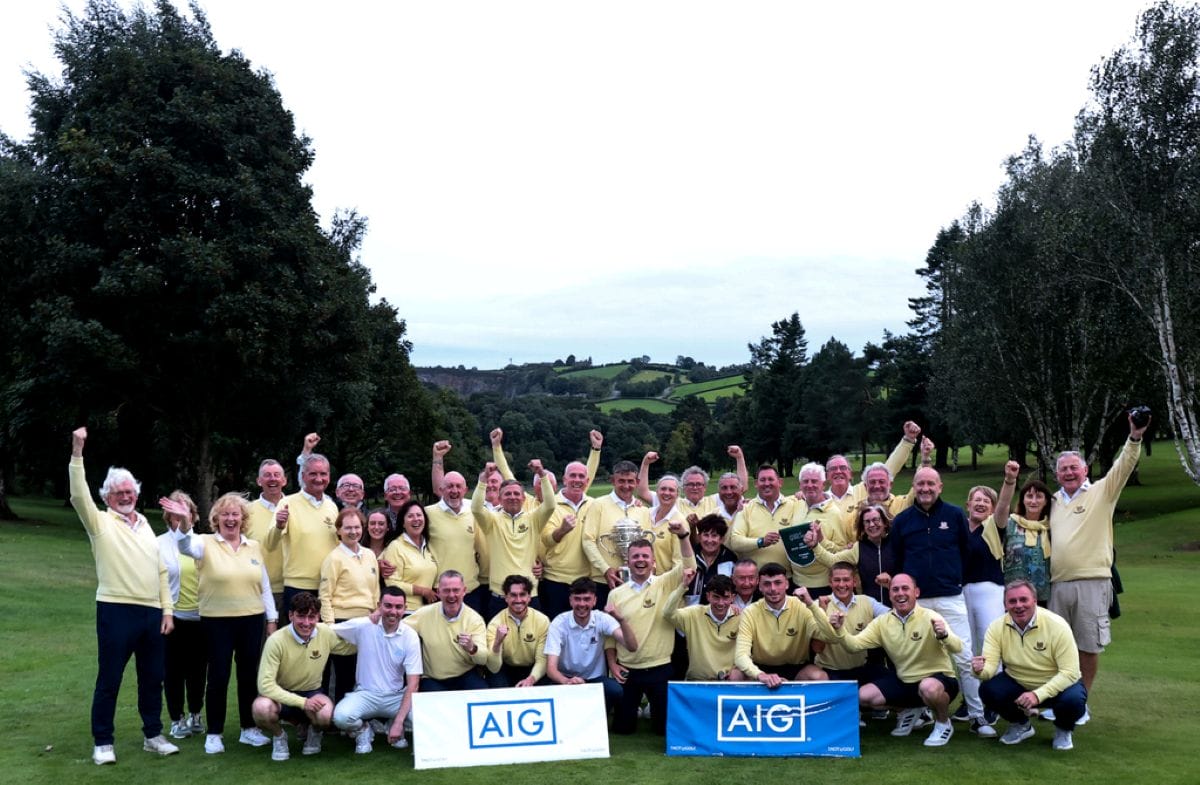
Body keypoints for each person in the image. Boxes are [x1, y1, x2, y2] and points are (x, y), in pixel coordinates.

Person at [69, 426, 178, 765]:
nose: (125, 496)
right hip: (115, 610)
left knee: (153, 678)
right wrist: (77, 452)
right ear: (107, 497)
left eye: (129, 491)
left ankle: (153, 735)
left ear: (137, 494)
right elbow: (78, 497)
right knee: (110, 679)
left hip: (151, 613)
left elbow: (161, 571)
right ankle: (103, 742)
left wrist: (167, 611)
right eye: (118, 492)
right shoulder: (99, 523)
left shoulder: (145, 525)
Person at [1048, 412, 1147, 707]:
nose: (1069, 472)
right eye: (1063, 469)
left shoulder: (1102, 492)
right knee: (1057, 647)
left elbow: (1123, 465)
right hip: (1057, 584)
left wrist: (1135, 436)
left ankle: (1080, 702)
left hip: (1093, 582)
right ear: (1057, 475)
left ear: (1085, 469)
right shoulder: (1052, 502)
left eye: (1073, 467)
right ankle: (1058, 699)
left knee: (1088, 646)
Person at [168, 492, 279, 754]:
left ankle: (249, 729)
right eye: (225, 514)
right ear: (216, 519)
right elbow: (184, 545)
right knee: (218, 676)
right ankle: (214, 733)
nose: (230, 519)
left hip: (251, 618)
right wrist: (184, 521)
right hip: (217, 621)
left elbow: (263, 585)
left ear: (243, 518)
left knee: (248, 675)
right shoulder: (204, 542)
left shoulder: (253, 546)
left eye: (235, 514)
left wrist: (272, 619)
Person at [891, 467, 994, 737]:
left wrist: (952, 575)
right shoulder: (902, 521)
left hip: (950, 597)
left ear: (940, 487)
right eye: (920, 484)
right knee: (920, 660)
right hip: (918, 602)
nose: (925, 489)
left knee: (964, 657)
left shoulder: (955, 515)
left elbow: (965, 551)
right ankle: (924, 711)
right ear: (914, 486)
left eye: (930, 484)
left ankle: (977, 715)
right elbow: (897, 558)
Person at [827, 573, 962, 747]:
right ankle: (911, 710)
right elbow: (854, 645)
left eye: (905, 588)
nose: (900, 593)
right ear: (890, 595)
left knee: (928, 687)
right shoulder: (882, 622)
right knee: (864, 696)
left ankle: (943, 723)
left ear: (916, 592)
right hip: (905, 682)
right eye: (895, 589)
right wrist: (839, 629)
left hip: (939, 681)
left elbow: (957, 647)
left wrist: (944, 635)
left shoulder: (931, 616)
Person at [972, 580, 1085, 751]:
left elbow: (1071, 672)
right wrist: (979, 670)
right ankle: (1021, 724)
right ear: (1005, 605)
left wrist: (1037, 695)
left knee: (1074, 700)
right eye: (1012, 601)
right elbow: (989, 669)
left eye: (1024, 600)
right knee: (988, 690)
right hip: (1018, 683)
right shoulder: (996, 627)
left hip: (1056, 685)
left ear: (1035, 601)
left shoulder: (1057, 625)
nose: (1018, 605)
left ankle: (1064, 729)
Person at [605, 528, 695, 735]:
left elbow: (690, 566)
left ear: (654, 561)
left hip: (659, 668)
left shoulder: (665, 583)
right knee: (623, 729)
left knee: (663, 730)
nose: (640, 560)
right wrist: (612, 663)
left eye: (645, 556)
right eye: (635, 556)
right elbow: (609, 634)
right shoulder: (616, 594)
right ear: (627, 561)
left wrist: (683, 536)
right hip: (628, 669)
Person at [252, 591, 355, 761]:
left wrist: (374, 636)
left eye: (312, 617)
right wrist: (303, 702)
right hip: (282, 697)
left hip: (312, 692)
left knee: (326, 713)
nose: (306, 623)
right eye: (301, 616)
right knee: (260, 708)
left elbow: (347, 648)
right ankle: (279, 736)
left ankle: (314, 733)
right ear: (291, 615)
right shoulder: (276, 641)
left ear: (318, 617)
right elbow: (265, 685)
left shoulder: (324, 632)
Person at [331, 588, 423, 754]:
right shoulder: (363, 626)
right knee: (341, 718)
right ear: (379, 605)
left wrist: (399, 722)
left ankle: (394, 723)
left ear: (405, 608)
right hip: (365, 694)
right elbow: (329, 630)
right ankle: (363, 729)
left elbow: (413, 684)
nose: (393, 611)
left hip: (395, 697)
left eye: (398, 607)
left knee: (424, 719)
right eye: (388, 606)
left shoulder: (410, 636)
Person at [733, 562, 838, 688]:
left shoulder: (803, 606)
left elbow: (830, 637)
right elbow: (741, 656)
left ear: (787, 584)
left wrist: (810, 604)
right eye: (767, 584)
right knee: (735, 675)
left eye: (778, 583)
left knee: (819, 677)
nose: (773, 589)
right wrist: (761, 675)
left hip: (797, 668)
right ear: (759, 586)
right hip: (760, 668)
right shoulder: (750, 612)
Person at [471, 468, 556, 618]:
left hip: (529, 595)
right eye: (507, 494)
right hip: (500, 595)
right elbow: (476, 509)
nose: (512, 497)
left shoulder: (533, 519)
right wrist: (483, 479)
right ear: (500, 498)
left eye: (516, 494)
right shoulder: (492, 521)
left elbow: (550, 505)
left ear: (523, 498)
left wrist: (542, 475)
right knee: (497, 633)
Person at [544, 578, 638, 713]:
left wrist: (621, 619)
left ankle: (600, 716)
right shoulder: (559, 623)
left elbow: (632, 646)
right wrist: (567, 682)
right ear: (570, 600)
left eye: (587, 599)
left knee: (615, 690)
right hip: (566, 678)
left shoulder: (602, 618)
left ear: (594, 601)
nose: (582, 604)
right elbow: (551, 669)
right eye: (577, 599)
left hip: (595, 679)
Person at [157, 490, 207, 741]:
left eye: (185, 512)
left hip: (202, 618)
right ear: (168, 516)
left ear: (193, 515)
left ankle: (196, 714)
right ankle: (176, 719)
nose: (180, 517)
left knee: (198, 672)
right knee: (173, 672)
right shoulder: (158, 544)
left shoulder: (203, 542)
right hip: (172, 618)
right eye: (175, 513)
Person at [318, 507, 381, 705]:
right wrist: (330, 626)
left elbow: (375, 591)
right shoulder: (334, 558)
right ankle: (340, 717)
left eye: (357, 527)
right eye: (348, 528)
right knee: (345, 675)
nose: (353, 532)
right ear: (338, 530)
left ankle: (363, 716)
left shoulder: (370, 555)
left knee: (365, 674)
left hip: (368, 622)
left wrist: (377, 614)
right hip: (343, 623)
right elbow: (325, 595)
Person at [954, 484, 1004, 724]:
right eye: (977, 499)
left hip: (989, 590)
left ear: (993, 508)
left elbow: (1005, 503)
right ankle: (971, 700)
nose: (981, 504)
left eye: (986, 501)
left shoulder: (994, 527)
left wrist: (1009, 481)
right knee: (967, 647)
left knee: (989, 644)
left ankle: (994, 701)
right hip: (961, 591)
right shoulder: (959, 528)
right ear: (968, 504)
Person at [268, 452, 339, 616]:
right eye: (313, 474)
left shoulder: (332, 506)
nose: (319, 479)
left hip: (328, 586)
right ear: (303, 476)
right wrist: (279, 526)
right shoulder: (287, 503)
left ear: (329, 476)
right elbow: (270, 544)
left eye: (323, 474)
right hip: (298, 587)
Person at [581, 460, 655, 607]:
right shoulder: (598, 505)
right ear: (613, 481)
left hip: (637, 582)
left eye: (630, 481)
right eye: (621, 481)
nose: (626, 486)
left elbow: (647, 546)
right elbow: (587, 541)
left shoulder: (643, 510)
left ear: (637, 482)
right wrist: (605, 570)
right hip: (604, 581)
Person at [403, 570, 489, 691]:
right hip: (433, 679)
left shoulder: (475, 619)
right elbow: (399, 629)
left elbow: (483, 659)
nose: (451, 595)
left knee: (481, 692)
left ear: (464, 591)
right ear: (438, 592)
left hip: (465, 675)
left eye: (456, 590)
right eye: (446, 590)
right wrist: (379, 615)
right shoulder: (424, 613)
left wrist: (472, 648)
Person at [540, 459, 598, 620]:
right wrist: (561, 531)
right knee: (557, 627)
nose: (577, 480)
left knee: (585, 628)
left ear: (587, 481)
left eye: (581, 476)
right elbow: (546, 540)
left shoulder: (595, 505)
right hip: (556, 580)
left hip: (586, 579)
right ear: (564, 479)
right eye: (573, 475)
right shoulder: (550, 505)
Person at [424, 462, 485, 615]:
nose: (454, 490)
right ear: (441, 490)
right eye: (450, 486)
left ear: (465, 490)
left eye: (458, 486)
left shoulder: (474, 512)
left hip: (470, 589)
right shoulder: (427, 513)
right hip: (440, 591)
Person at [825, 421, 922, 515]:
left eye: (843, 468)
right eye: (833, 469)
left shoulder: (863, 489)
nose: (838, 471)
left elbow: (890, 468)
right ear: (827, 475)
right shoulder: (823, 500)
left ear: (850, 474)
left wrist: (908, 440)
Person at [988, 460, 1052, 603]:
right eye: (1029, 496)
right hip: (1014, 597)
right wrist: (1010, 480)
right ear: (1022, 500)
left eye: (1038, 497)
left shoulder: (1050, 528)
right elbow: (1003, 505)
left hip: (1043, 597)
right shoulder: (1010, 524)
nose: (1033, 501)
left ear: (1046, 501)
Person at [811, 504, 897, 607]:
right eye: (867, 522)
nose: (872, 524)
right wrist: (815, 546)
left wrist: (892, 582)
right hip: (869, 608)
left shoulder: (897, 543)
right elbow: (832, 561)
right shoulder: (858, 548)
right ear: (863, 527)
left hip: (898, 606)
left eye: (876, 520)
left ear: (885, 522)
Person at [663, 575, 744, 681]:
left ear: (733, 598)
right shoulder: (693, 614)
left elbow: (747, 653)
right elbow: (668, 613)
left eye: (725, 598)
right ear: (708, 596)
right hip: (697, 681)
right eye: (716, 597)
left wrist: (738, 670)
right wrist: (683, 586)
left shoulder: (742, 618)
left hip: (728, 683)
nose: (720, 603)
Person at [485, 575, 551, 688]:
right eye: (513, 595)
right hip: (506, 668)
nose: (518, 600)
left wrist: (531, 679)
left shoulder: (542, 621)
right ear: (506, 597)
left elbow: (542, 659)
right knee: (495, 680)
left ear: (529, 597)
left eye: (522, 594)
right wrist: (497, 643)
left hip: (532, 668)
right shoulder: (495, 623)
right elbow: (493, 667)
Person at [729, 465, 797, 568]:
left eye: (770, 479)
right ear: (756, 484)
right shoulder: (746, 508)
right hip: (756, 575)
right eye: (762, 480)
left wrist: (802, 494)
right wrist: (761, 542)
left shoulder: (794, 504)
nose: (766, 483)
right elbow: (735, 541)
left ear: (780, 482)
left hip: (787, 575)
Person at [380, 500, 439, 612]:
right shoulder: (395, 546)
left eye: (419, 515)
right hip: (405, 611)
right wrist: (423, 591)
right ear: (403, 523)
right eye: (410, 516)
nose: (416, 519)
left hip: (427, 610)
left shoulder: (428, 546)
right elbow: (392, 583)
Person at [245, 459, 287, 607]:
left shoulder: (296, 507)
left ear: (284, 480)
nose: (272, 479)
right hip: (258, 589)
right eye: (267, 475)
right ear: (258, 481)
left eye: (276, 474)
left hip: (292, 587)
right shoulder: (246, 512)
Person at [684, 513, 738, 604]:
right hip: (690, 610)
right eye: (706, 535)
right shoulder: (690, 556)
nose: (709, 540)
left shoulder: (730, 559)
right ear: (699, 537)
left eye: (714, 535)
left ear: (722, 539)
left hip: (720, 609)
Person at [381, 474, 413, 539]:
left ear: (409, 494)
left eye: (402, 488)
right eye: (392, 489)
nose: (397, 492)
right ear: (385, 495)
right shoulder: (380, 519)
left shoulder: (419, 516)